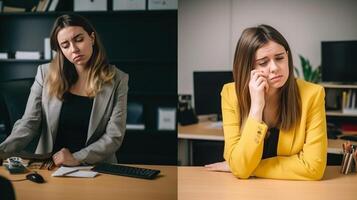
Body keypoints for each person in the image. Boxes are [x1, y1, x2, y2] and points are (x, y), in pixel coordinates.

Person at [0, 14, 128, 166]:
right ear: (60, 49)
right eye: (65, 45)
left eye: (79, 39)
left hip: (97, 167)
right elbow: (29, 123)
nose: (74, 49)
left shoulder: (118, 79)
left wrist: (76, 158)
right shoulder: (45, 73)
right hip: (51, 166)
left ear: (92, 38)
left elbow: (114, 136)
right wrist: (2, 151)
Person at [205, 24, 327, 180]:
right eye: (263, 62)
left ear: (287, 56)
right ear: (247, 67)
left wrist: (246, 167)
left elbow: (313, 168)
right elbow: (240, 169)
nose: (275, 68)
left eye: (280, 58)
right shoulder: (231, 94)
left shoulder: (312, 95)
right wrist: (256, 107)